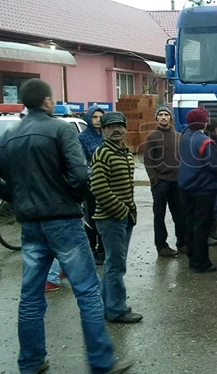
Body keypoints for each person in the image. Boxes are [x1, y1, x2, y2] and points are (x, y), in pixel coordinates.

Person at [0, 79, 134, 373]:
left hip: (30, 223)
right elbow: (81, 176)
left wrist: (18, 200)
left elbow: (3, 182)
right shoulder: (61, 129)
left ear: (24, 102)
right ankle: (100, 361)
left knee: (30, 295)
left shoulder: (8, 136)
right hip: (63, 220)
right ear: (48, 101)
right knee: (87, 290)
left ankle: (31, 362)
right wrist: (72, 199)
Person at [91, 112, 141, 324]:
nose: (116, 130)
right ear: (102, 130)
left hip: (125, 217)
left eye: (120, 126)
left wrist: (128, 212)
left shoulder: (125, 152)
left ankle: (108, 307)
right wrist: (120, 210)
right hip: (111, 218)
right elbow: (98, 187)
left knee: (114, 263)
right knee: (116, 265)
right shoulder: (102, 153)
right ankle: (117, 310)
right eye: (110, 127)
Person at [178, 107, 217, 273]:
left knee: (190, 224)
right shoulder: (205, 142)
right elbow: (216, 165)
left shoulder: (183, 137)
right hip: (203, 189)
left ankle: (192, 258)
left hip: (186, 187)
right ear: (203, 122)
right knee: (202, 227)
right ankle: (201, 262)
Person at [144, 104, 188, 257]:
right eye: (161, 115)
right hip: (160, 182)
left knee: (180, 214)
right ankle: (162, 246)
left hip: (176, 182)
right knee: (159, 216)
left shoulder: (178, 136)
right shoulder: (152, 137)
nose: (163, 117)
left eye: (166, 115)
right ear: (156, 118)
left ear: (171, 117)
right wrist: (154, 180)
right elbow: (148, 161)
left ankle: (182, 242)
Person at [77, 105, 106, 264]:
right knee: (91, 218)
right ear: (88, 118)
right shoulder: (82, 138)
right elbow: (81, 162)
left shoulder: (105, 136)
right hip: (90, 185)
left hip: (106, 183)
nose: (98, 120)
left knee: (104, 216)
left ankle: (103, 249)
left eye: (100, 117)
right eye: (94, 117)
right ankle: (91, 249)